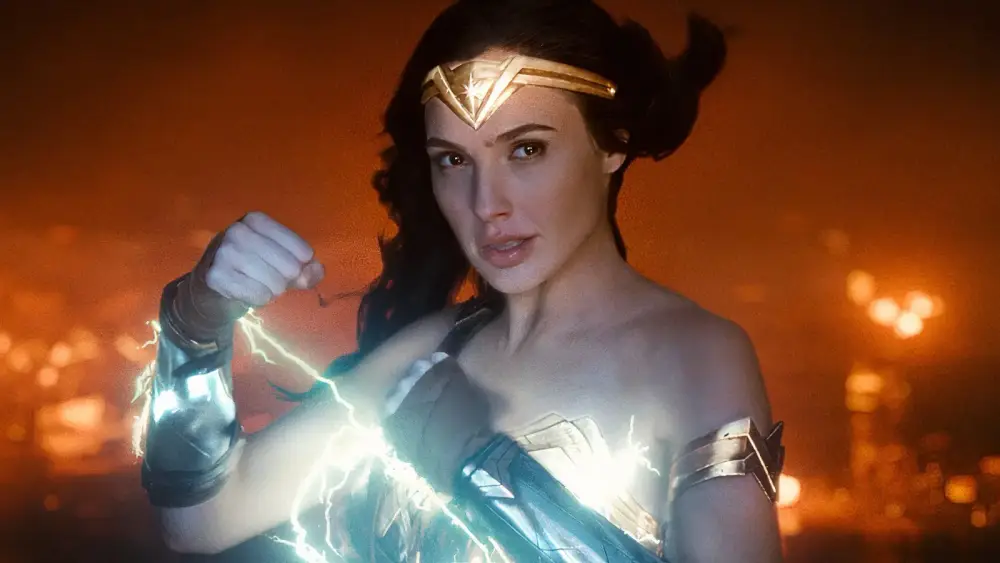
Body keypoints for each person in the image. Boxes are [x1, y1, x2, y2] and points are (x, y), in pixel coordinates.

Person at [140, 0, 785, 561]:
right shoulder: (431, 353)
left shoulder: (695, 356)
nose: (486, 204)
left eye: (526, 149)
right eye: (453, 160)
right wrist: (195, 321)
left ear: (612, 142)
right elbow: (200, 521)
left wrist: (480, 468)